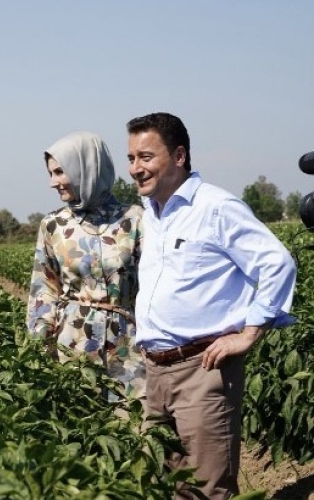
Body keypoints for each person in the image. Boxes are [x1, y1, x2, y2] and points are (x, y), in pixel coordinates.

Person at [126, 112, 296, 499]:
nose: (136, 168)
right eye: (132, 158)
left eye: (146, 157)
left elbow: (277, 263)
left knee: (207, 490)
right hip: (156, 371)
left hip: (202, 368)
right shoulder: (152, 214)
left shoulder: (215, 207)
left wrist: (249, 333)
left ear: (179, 155)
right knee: (169, 485)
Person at [27, 131, 145, 401]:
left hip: (128, 345)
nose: (53, 183)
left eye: (59, 172)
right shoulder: (54, 225)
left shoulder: (135, 219)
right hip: (73, 344)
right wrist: (38, 344)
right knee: (81, 426)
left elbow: (155, 285)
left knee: (135, 425)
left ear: (86, 168)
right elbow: (44, 289)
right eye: (50, 174)